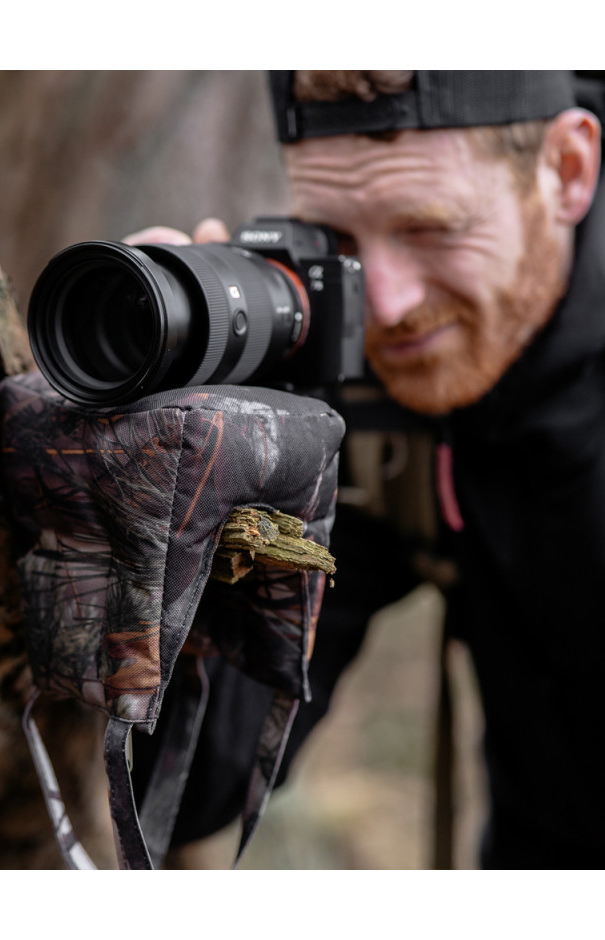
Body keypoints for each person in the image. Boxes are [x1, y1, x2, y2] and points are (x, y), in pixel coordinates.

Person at [129, 71, 605, 869]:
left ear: (566, 170)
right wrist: (206, 497)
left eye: (431, 229)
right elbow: (195, 793)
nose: (383, 306)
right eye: (338, 243)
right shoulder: (367, 381)